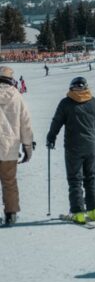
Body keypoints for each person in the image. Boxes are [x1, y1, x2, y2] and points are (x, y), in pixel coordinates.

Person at [46, 76, 95, 224]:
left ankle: (78, 213)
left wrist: (51, 137)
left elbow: (57, 121)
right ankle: (94, 211)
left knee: (75, 180)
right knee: (90, 177)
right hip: (91, 146)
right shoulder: (94, 102)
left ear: (72, 88)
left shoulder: (66, 103)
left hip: (73, 147)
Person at [0, 66, 34, 226]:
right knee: (9, 182)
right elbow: (25, 124)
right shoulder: (17, 96)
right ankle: (11, 215)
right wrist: (28, 148)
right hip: (9, 150)